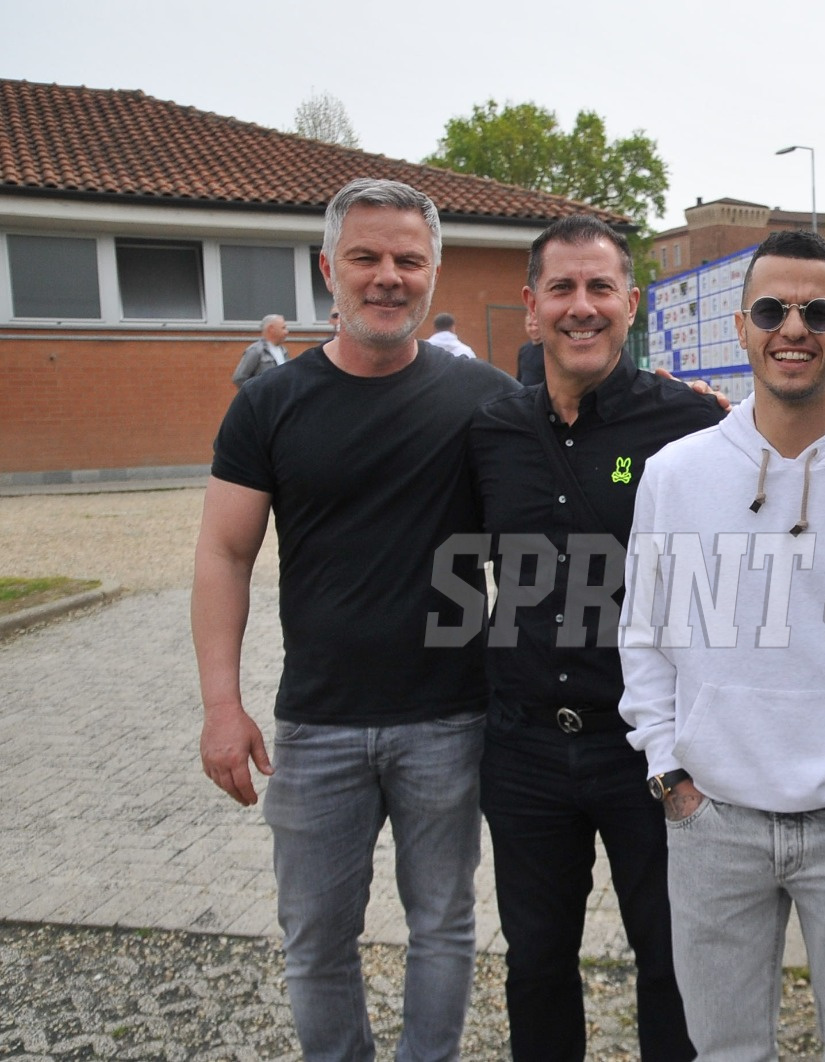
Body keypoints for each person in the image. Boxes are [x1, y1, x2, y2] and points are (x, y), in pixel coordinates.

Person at [193, 177, 519, 1061]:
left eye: (408, 260)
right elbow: (225, 554)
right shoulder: (268, 403)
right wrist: (223, 705)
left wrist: (695, 415)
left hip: (450, 720)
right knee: (315, 942)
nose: (388, 277)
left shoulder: (484, 401)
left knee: (444, 925)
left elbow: (575, 460)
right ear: (327, 267)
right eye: (367, 258)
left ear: (433, 271)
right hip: (317, 723)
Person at [619, 230, 825, 1060]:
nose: (794, 327)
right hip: (713, 820)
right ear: (741, 327)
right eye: (771, 310)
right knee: (723, 1050)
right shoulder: (675, 474)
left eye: (817, 311)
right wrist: (668, 772)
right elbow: (643, 631)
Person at [468, 214, 719, 1061]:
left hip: (648, 750)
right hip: (525, 751)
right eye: (563, 289)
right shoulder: (491, 432)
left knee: (670, 960)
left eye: (600, 288)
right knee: (536, 964)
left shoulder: (692, 424)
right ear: (532, 306)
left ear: (630, 303)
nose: (583, 307)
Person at [230, 314, 290, 387]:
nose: (286, 332)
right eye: (283, 328)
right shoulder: (255, 351)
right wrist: (257, 395)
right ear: (271, 329)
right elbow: (239, 378)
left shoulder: (284, 351)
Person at [516, 308, 545, 386]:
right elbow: (519, 377)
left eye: (536, 325)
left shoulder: (550, 350)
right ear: (525, 326)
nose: (533, 329)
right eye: (530, 325)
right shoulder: (523, 350)